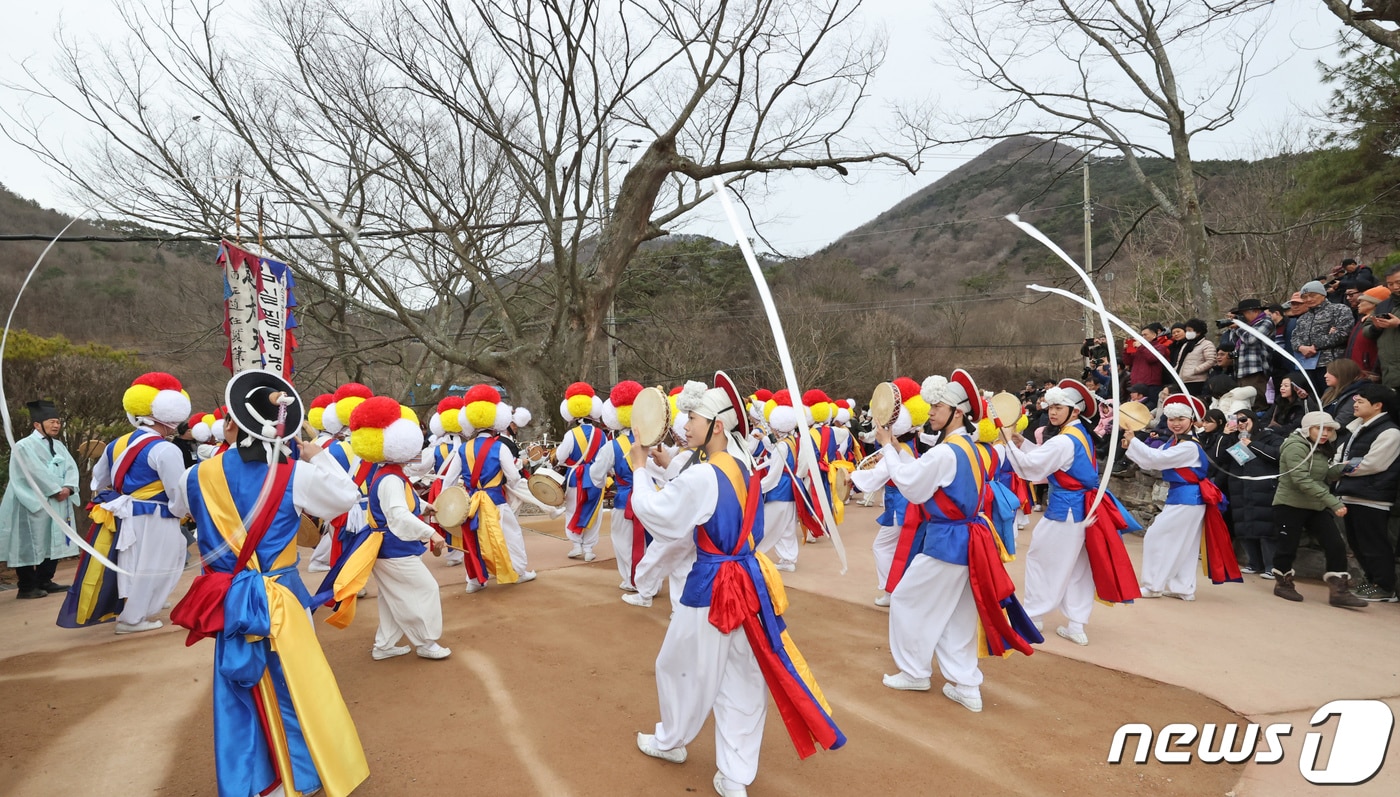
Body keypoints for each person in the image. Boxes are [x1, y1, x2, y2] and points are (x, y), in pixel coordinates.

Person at [629, 374, 844, 797]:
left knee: (679, 666)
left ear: (718, 426)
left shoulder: (703, 477)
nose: (684, 425)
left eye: (692, 417)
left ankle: (671, 740)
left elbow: (659, 514)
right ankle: (735, 774)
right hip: (749, 581)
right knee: (743, 677)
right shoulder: (745, 468)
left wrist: (639, 469)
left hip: (711, 585)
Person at [177, 369, 370, 797]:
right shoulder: (295, 474)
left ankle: (252, 778)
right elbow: (346, 498)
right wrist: (315, 454)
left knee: (240, 685)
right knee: (297, 685)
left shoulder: (194, 477)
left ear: (231, 423)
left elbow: (180, 509)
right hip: (283, 597)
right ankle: (300, 774)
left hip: (230, 599)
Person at [876, 371, 1039, 711]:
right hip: (972, 539)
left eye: (937, 407)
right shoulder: (975, 450)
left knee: (906, 599)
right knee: (959, 614)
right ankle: (966, 684)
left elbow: (912, 485)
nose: (930, 412)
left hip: (947, 540)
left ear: (958, 412)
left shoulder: (946, 452)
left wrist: (889, 448)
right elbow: (928, 473)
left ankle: (915, 671)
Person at [1002, 379, 1140, 646]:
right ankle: (1076, 623)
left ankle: (1032, 617)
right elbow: (1053, 461)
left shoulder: (1065, 440)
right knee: (1078, 566)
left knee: (1043, 561)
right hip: (1082, 509)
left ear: (1074, 411)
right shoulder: (1077, 435)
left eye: (1059, 407)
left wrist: (1009, 443)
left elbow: (1032, 468)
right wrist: (1023, 445)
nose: (1052, 412)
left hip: (1066, 510)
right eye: (1051, 406)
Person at [316, 394, 453, 659]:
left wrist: (425, 507)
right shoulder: (391, 477)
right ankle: (425, 642)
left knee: (391, 597)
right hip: (392, 547)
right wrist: (432, 532)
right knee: (425, 589)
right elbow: (398, 515)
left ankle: (385, 645)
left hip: (385, 545)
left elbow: (402, 502)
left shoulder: (390, 473)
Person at [89, 373, 192, 634]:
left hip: (126, 514)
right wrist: (182, 512)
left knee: (136, 562)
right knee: (156, 562)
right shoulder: (165, 449)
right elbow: (176, 489)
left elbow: (98, 481)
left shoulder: (116, 443)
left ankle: (146, 602)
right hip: (156, 515)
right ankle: (133, 618)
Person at [1121, 395, 1241, 601]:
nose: (1175, 424)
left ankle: (1153, 586)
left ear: (1192, 420)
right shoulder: (1175, 442)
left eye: (1180, 419)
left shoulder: (1189, 446)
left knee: (1155, 537)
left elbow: (1156, 459)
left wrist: (1134, 442)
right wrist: (1131, 446)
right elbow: (1150, 461)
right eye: (1171, 419)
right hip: (1185, 498)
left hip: (1187, 498)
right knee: (1185, 545)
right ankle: (1183, 588)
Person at [1269, 411, 1367, 608]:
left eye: (1329, 430)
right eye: (1320, 429)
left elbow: (1321, 474)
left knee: (1336, 545)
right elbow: (1301, 480)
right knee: (1287, 547)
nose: (1325, 433)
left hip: (1315, 505)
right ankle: (1283, 583)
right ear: (1308, 429)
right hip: (1290, 504)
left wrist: (1340, 469)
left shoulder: (1321, 447)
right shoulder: (1295, 446)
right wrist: (1333, 501)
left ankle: (1339, 591)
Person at [0, 400, 79, 599]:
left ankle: (45, 579)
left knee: (52, 539)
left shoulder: (59, 445)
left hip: (58, 499)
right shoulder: (24, 446)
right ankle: (26, 585)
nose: (56, 425)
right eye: (52, 421)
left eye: (58, 422)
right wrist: (54, 490)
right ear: (37, 424)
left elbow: (71, 467)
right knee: (28, 542)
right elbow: (32, 472)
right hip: (33, 501)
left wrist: (68, 487)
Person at [1333, 383, 1400, 602]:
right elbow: (1340, 455)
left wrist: (1339, 469)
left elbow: (1373, 464)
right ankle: (1371, 580)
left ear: (1378, 405)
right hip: (1351, 493)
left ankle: (1384, 587)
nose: (1356, 405)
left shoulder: (1390, 432)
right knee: (1357, 543)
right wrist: (1338, 467)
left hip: (1373, 497)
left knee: (1374, 544)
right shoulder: (1356, 427)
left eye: (1361, 401)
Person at [593, 381, 650, 592]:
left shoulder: (612, 446)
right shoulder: (651, 441)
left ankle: (632, 580)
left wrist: (607, 479)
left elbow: (596, 474)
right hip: (652, 498)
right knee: (651, 540)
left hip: (625, 501)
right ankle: (650, 579)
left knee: (624, 541)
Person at [1215, 411, 1283, 578]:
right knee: (1244, 525)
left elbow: (1277, 455)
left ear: (1253, 420)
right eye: (1236, 420)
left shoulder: (1268, 436)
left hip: (1264, 487)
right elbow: (1218, 458)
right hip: (1240, 488)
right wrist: (1224, 436)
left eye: (1244, 419)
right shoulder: (1232, 440)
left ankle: (1271, 566)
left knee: (1266, 528)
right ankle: (1254, 563)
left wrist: (1251, 444)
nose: (1240, 423)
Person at [554, 381, 606, 561]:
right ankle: (589, 549)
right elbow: (605, 457)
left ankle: (576, 545)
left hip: (575, 477)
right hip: (596, 478)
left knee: (572, 509)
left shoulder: (571, 435)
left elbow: (560, 457)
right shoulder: (602, 435)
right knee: (594, 510)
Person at [1292, 279, 1356, 389]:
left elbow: (1342, 334)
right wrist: (1301, 347)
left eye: (1312, 295)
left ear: (1323, 294)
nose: (1308, 299)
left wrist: (1315, 345)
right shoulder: (1303, 318)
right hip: (1307, 366)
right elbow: (1294, 338)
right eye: (1305, 297)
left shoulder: (1339, 310)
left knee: (1333, 397)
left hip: (1332, 366)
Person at [1229, 298, 1275, 412]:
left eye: (1243, 314)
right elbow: (1233, 343)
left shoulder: (1266, 321)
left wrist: (1239, 327)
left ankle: (1260, 423)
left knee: (1258, 401)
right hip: (1242, 369)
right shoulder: (1246, 327)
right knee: (1244, 402)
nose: (1242, 317)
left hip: (1257, 369)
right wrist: (1234, 328)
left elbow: (1251, 339)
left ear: (1255, 311)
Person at [1361, 265, 1400, 389]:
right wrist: (1376, 327)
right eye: (1390, 284)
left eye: (1398, 282)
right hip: (1390, 372)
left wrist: (1398, 324)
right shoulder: (1384, 305)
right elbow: (1366, 330)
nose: (1395, 287)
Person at [1348, 286, 1390, 377]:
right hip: (1356, 370)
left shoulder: (1380, 322)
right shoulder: (1361, 321)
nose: (1358, 304)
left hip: (1369, 372)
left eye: (1362, 301)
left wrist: (1374, 370)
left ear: (1374, 304)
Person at [1321, 358, 1368, 433]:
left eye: (1330, 373)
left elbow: (1341, 423)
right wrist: (1306, 399)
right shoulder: (1329, 391)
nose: (1325, 375)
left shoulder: (1356, 395)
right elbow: (1317, 413)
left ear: (1341, 374)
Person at [1175, 319, 1217, 399]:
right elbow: (1179, 362)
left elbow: (1211, 360)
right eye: (1186, 331)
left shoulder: (1206, 344)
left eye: (1190, 330)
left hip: (1197, 381)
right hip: (1183, 380)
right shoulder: (1186, 345)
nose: (1187, 333)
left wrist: (1196, 370)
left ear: (1198, 331)